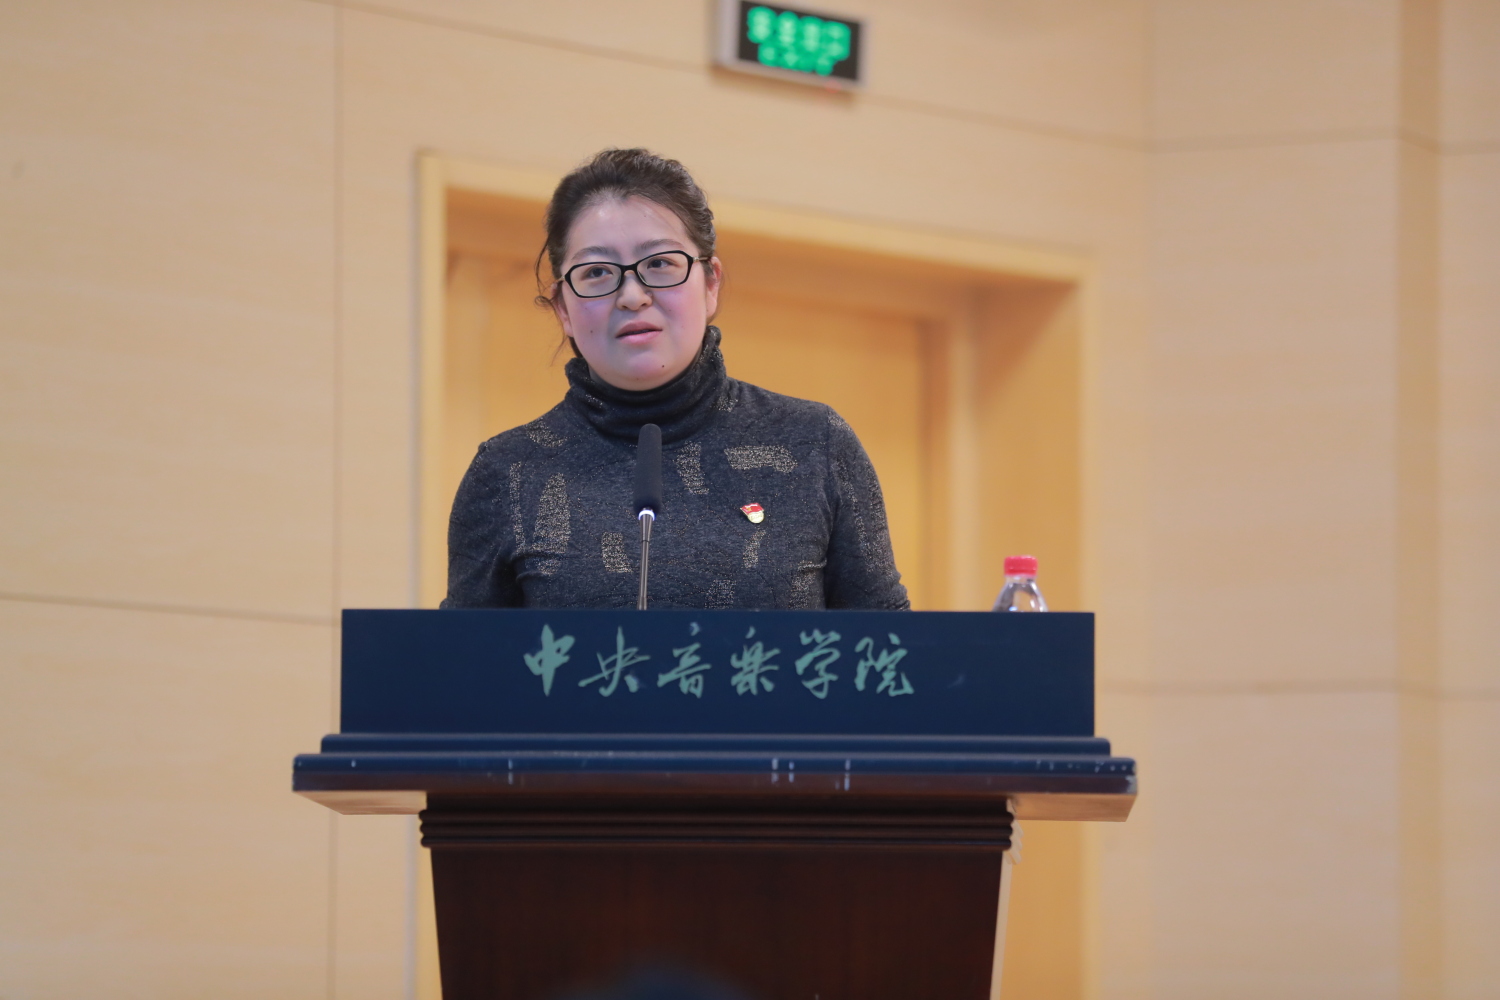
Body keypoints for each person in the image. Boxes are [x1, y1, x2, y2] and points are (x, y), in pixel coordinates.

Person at [442, 148, 909, 611]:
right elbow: (461, 656)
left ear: (711, 284)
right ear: (563, 307)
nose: (632, 295)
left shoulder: (814, 444)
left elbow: (889, 646)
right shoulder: (508, 472)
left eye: (660, 264)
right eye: (597, 272)